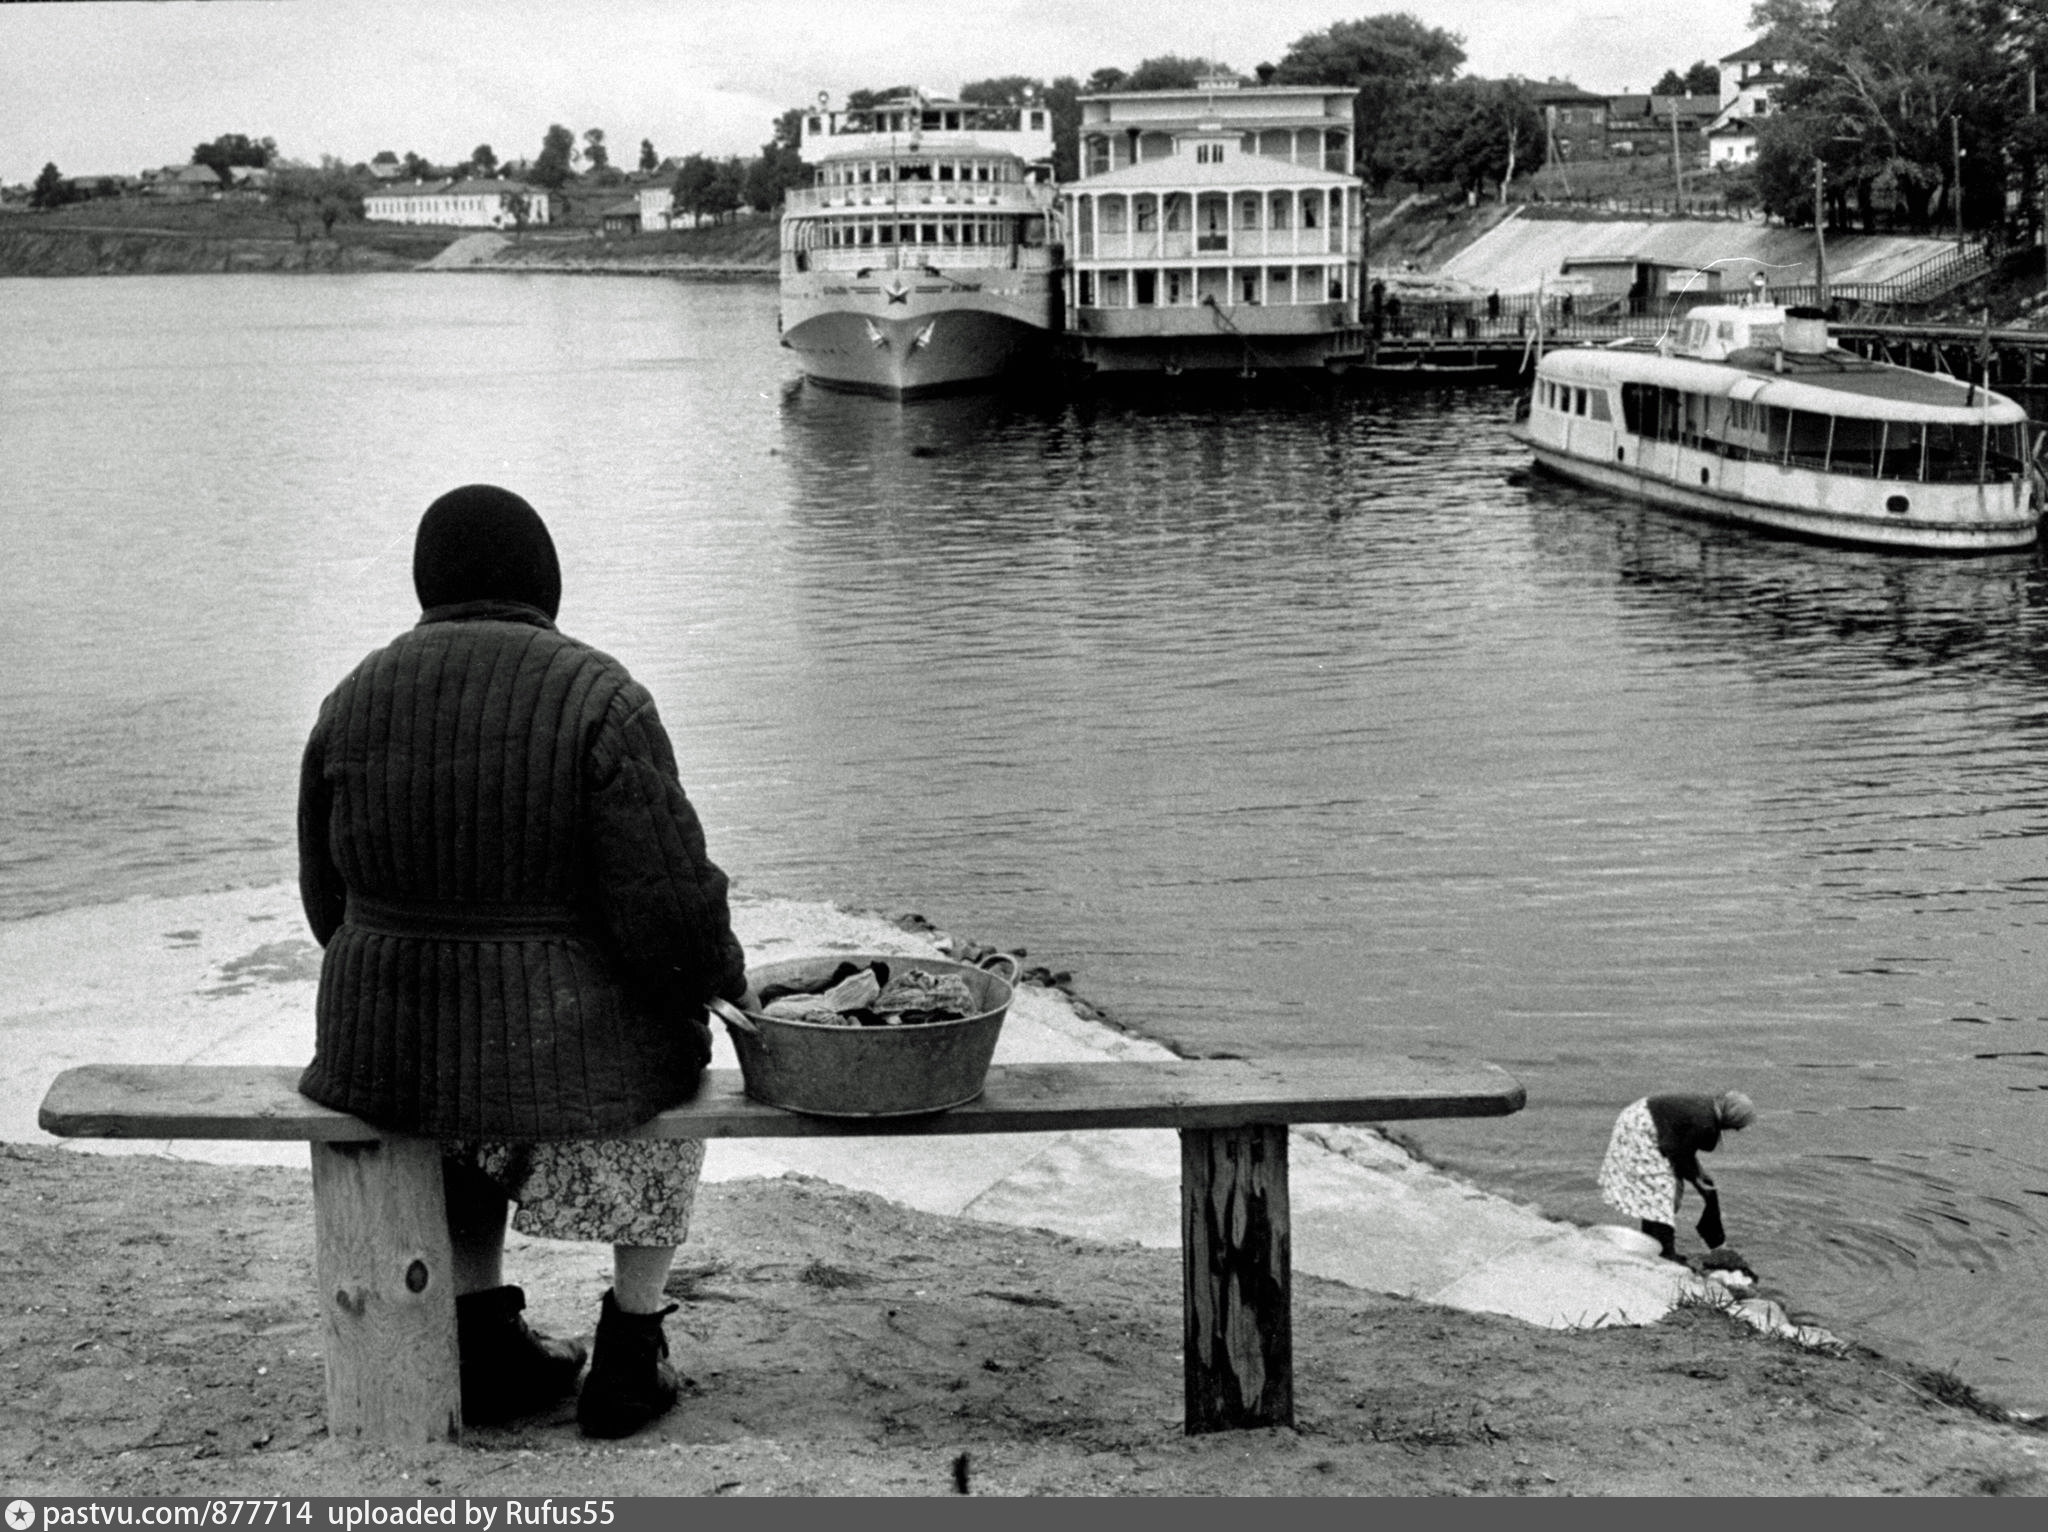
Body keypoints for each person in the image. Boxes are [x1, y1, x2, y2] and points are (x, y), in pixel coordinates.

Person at [297, 484, 754, 1439]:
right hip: (554, 1045)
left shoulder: (350, 698)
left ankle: (483, 1339)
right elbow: (667, 910)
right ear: (545, 580)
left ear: (427, 584)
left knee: (450, 1074)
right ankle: (633, 1348)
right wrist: (723, 983)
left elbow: (323, 903)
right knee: (674, 1052)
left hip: (387, 1049)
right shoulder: (600, 697)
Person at [1598, 1091, 1755, 1261]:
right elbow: (1679, 1153)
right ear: (1732, 1118)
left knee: (1659, 1192)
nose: (1737, 1129)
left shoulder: (1707, 1109)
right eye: (1738, 1125)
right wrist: (1698, 1180)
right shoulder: (1705, 1122)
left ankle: (1650, 1244)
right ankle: (1665, 1253)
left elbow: (1683, 1147)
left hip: (1640, 1118)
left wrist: (1699, 1176)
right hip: (1643, 1127)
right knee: (1663, 1191)